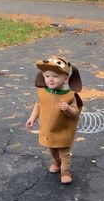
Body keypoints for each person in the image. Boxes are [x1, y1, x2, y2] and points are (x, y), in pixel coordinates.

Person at [26, 55, 83, 184]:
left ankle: (65, 172)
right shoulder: (43, 92)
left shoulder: (70, 95)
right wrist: (32, 117)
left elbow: (75, 113)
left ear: (65, 78)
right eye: (47, 76)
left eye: (55, 76)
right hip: (49, 130)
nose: (50, 80)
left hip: (63, 130)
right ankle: (56, 163)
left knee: (64, 152)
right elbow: (38, 105)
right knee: (52, 150)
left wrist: (67, 108)